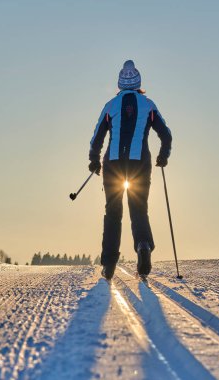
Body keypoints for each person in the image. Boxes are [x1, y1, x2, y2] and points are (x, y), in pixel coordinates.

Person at [89, 60, 172, 280]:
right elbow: (166, 135)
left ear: (119, 84)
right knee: (139, 209)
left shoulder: (110, 106)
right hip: (140, 164)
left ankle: (108, 265)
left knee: (113, 213)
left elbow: (97, 136)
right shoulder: (148, 105)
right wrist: (163, 156)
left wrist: (94, 160)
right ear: (138, 83)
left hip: (113, 165)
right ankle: (143, 245)